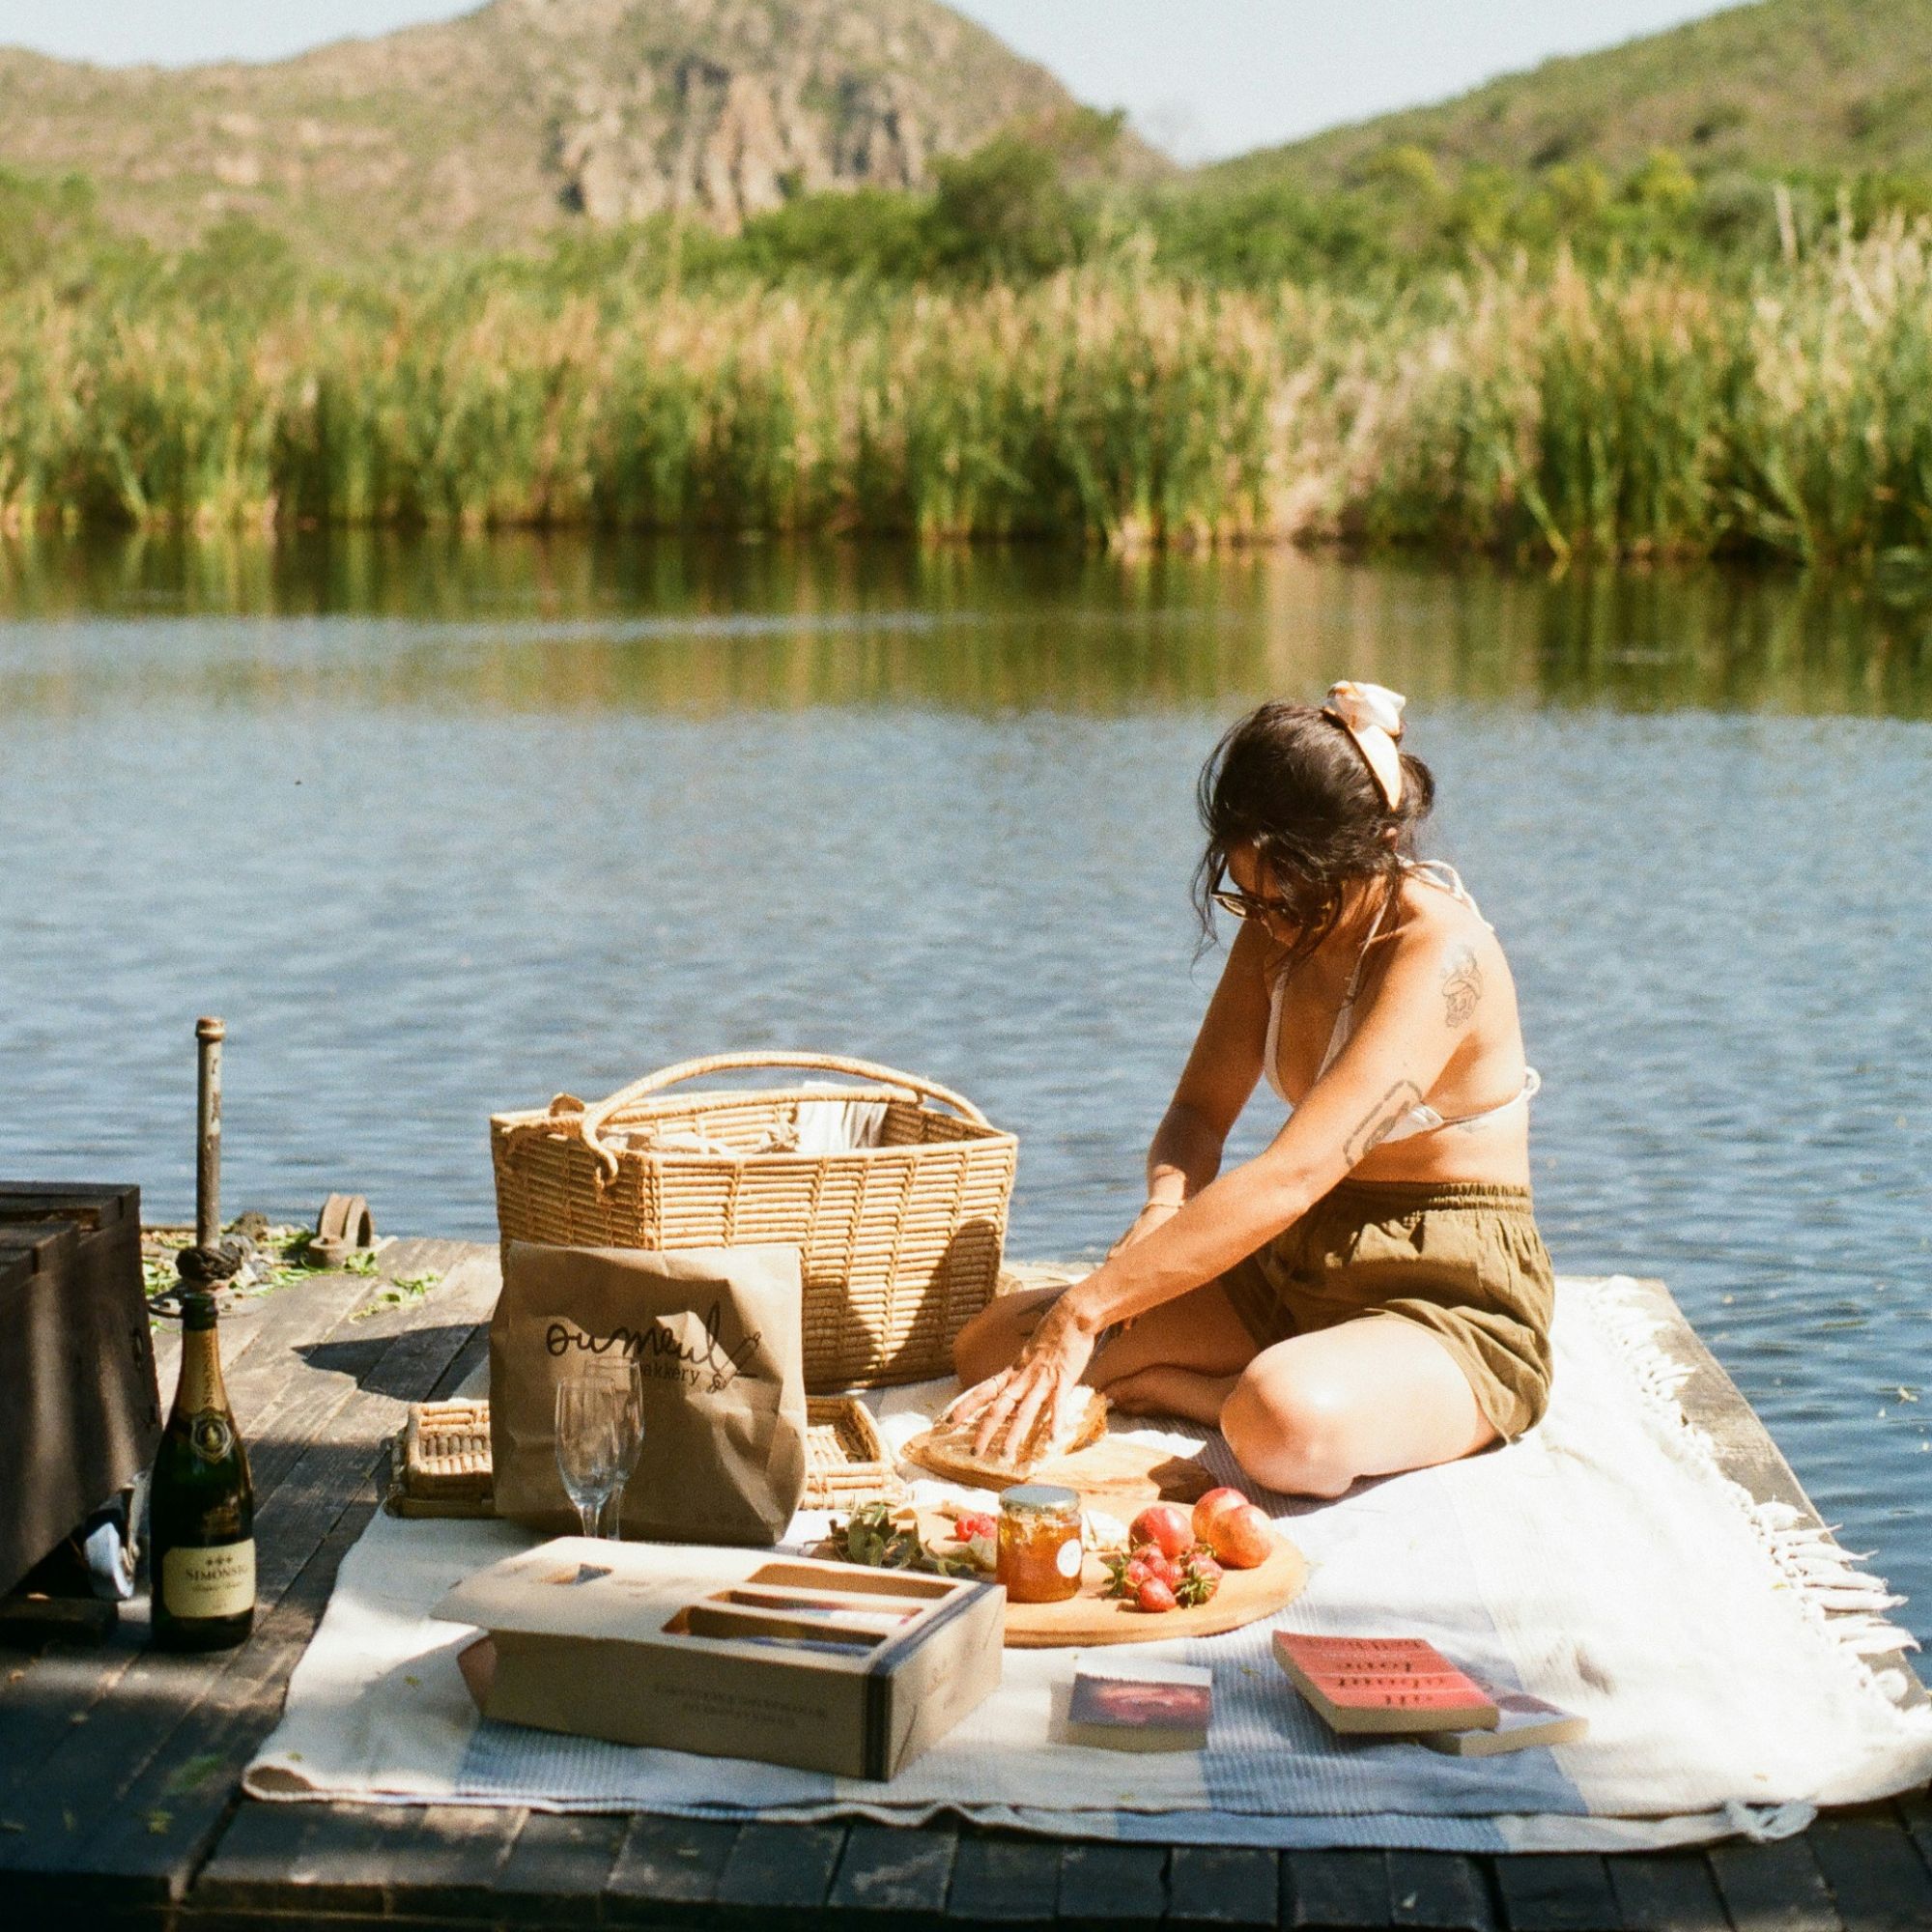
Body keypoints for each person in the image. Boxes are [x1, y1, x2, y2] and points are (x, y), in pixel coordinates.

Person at [951, 682, 1554, 1497]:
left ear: (1376, 845)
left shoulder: (1441, 954)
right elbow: (1197, 1116)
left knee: (1281, 1420)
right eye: (1250, 894)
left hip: (1442, 1289)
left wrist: (1090, 1309)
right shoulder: (1277, 922)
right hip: (1295, 1263)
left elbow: (1296, 1173)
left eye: (1298, 898)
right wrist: (1165, 1209)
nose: (1273, 921)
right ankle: (1258, 1374)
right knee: (993, 1349)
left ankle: (1201, 1394)